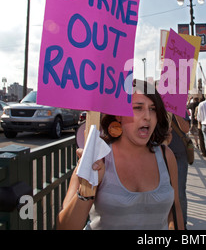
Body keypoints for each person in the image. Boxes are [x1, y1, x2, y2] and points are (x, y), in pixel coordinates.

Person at [57, 80, 184, 230]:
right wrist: (87, 187)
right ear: (119, 115)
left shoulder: (166, 156)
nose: (148, 117)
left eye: (153, 109)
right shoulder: (98, 158)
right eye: (138, 108)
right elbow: (64, 227)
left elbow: (174, 211)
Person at [168, 113, 190, 229]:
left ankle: (182, 223)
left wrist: (176, 112)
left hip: (178, 156)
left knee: (180, 193)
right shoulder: (154, 106)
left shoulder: (180, 107)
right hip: (158, 155)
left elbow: (186, 128)